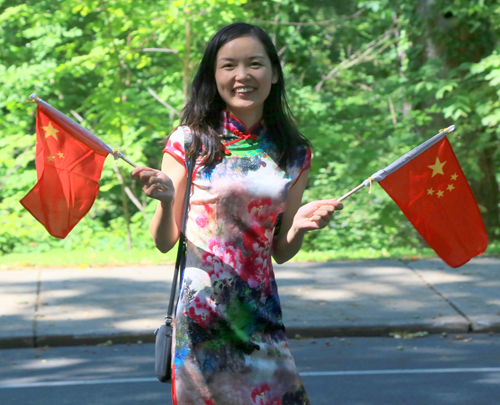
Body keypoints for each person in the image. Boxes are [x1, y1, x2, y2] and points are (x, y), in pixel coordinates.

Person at [132, 22, 343, 405]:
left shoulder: (294, 152)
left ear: (274, 73)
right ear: (214, 77)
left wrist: (298, 226)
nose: (242, 76)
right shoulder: (190, 141)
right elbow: (164, 242)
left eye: (255, 64)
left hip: (261, 316)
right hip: (203, 318)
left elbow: (280, 250)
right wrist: (165, 201)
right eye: (228, 65)